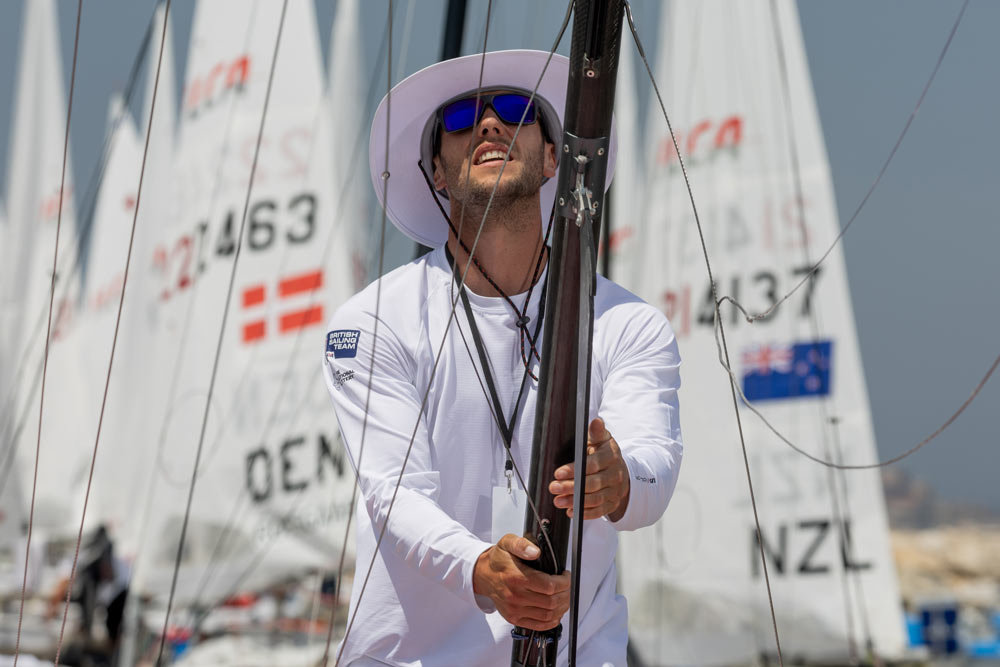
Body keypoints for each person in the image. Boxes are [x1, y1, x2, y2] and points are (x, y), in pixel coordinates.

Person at [323, 50, 682, 667]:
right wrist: (480, 569)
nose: (490, 125)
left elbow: (655, 461)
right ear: (436, 171)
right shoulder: (372, 320)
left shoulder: (628, 322)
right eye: (462, 118)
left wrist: (618, 480)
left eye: (516, 111)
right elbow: (393, 495)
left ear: (552, 158)